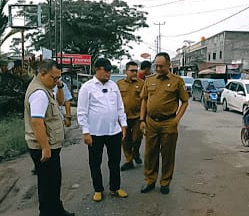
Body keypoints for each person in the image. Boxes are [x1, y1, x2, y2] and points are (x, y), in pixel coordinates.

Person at [24, 60, 74, 216]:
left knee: (55, 180)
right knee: (46, 184)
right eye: (54, 77)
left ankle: (57, 209)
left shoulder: (48, 88)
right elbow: (37, 122)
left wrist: (59, 86)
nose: (56, 80)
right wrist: (45, 147)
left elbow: (60, 103)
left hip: (52, 145)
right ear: (42, 73)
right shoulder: (39, 93)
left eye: (59, 77)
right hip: (43, 147)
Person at [77, 58, 128, 202]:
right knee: (95, 162)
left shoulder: (113, 86)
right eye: (106, 70)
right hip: (95, 133)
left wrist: (123, 125)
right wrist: (85, 131)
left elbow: (120, 107)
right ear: (97, 69)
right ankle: (98, 189)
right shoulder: (87, 87)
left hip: (114, 131)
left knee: (115, 161)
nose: (109, 73)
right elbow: (81, 111)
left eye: (110, 70)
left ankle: (115, 187)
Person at [139, 52, 189, 194]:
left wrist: (176, 119)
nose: (158, 69)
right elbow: (144, 99)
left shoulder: (177, 81)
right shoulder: (149, 80)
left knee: (167, 154)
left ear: (169, 65)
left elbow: (185, 102)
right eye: (156, 66)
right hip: (151, 123)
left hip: (168, 123)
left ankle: (165, 182)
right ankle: (150, 181)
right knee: (150, 153)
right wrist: (142, 120)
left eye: (161, 66)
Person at [117, 61, 145, 171]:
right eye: (132, 71)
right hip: (123, 117)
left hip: (138, 117)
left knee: (137, 138)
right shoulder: (119, 84)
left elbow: (144, 100)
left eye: (136, 70)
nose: (134, 73)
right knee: (125, 140)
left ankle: (136, 153)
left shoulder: (142, 83)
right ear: (126, 71)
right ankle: (129, 160)